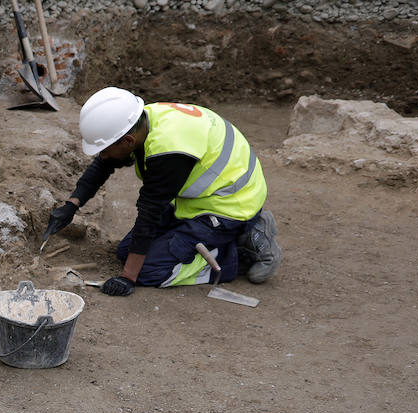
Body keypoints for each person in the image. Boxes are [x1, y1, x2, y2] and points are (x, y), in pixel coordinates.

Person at [44, 87, 282, 296]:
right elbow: (103, 165)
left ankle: (238, 251)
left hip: (230, 206)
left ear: (127, 141)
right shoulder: (141, 121)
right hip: (199, 201)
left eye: (105, 149)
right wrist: (71, 205)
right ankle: (232, 234)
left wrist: (129, 278)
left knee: (148, 271)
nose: (102, 155)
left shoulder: (168, 152)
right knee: (126, 251)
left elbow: (150, 213)